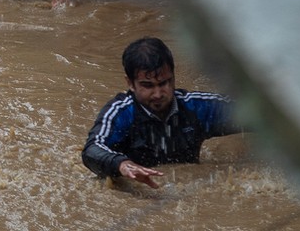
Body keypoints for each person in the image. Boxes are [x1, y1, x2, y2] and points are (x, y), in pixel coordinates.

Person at [81, 37, 241, 188]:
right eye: (147, 85)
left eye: (164, 83)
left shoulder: (196, 108)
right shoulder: (121, 113)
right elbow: (92, 149)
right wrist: (122, 165)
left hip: (188, 193)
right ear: (130, 83)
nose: (158, 94)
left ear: (173, 77)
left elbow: (254, 113)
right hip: (139, 194)